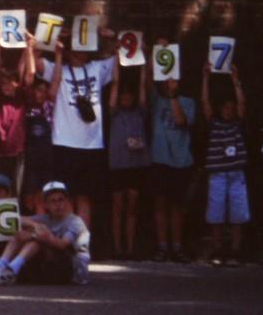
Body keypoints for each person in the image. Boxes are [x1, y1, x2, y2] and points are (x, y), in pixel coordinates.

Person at [39, 27, 117, 226]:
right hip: (64, 141)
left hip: (92, 143)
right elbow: (36, 60)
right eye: (76, 47)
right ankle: (67, 240)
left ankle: (82, 241)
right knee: (67, 196)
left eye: (84, 47)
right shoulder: (58, 69)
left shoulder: (97, 67)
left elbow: (123, 57)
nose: (81, 52)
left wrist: (110, 38)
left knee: (85, 196)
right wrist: (56, 44)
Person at [0, 180, 90, 286]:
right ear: (46, 205)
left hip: (72, 271)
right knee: (22, 233)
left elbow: (62, 245)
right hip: (52, 266)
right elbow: (18, 219)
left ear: (67, 202)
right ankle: (0, 266)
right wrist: (34, 226)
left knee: (37, 239)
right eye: (53, 201)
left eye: (61, 200)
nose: (57, 204)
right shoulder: (46, 218)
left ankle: (10, 271)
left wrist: (42, 236)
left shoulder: (75, 221)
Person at [148, 39, 197, 263]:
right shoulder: (156, 100)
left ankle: (176, 246)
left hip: (180, 160)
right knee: (159, 203)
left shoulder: (187, 102)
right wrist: (155, 52)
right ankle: (161, 245)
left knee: (177, 205)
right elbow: (148, 78)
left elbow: (180, 121)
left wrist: (173, 95)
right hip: (160, 158)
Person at [201, 62, 249, 267]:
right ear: (220, 108)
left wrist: (235, 81)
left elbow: (242, 104)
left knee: (238, 213)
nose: (229, 111)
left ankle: (236, 250)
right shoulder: (215, 124)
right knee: (216, 212)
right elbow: (204, 102)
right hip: (218, 174)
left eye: (231, 108)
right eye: (225, 107)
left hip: (237, 173)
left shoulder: (237, 123)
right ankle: (218, 248)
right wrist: (206, 78)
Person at [0, 30, 36, 192]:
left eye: (10, 83)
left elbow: (30, 73)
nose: (5, 85)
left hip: (16, 152)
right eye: (3, 83)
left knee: (13, 191)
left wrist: (29, 47)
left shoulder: (21, 98)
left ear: (17, 84)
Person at [108, 64, 149, 260]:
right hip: (118, 165)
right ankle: (116, 248)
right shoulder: (115, 113)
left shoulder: (139, 113)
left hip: (136, 165)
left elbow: (142, 92)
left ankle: (130, 248)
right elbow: (114, 91)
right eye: (122, 97)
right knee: (117, 208)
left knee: (132, 208)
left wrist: (142, 70)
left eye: (128, 97)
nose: (125, 99)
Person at [23, 41, 62, 212]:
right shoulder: (27, 104)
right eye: (38, 90)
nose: (41, 93)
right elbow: (29, 75)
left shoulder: (49, 106)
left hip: (47, 155)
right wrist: (29, 50)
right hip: (29, 156)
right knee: (28, 197)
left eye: (43, 91)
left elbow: (56, 80)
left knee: (43, 195)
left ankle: (41, 228)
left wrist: (59, 55)